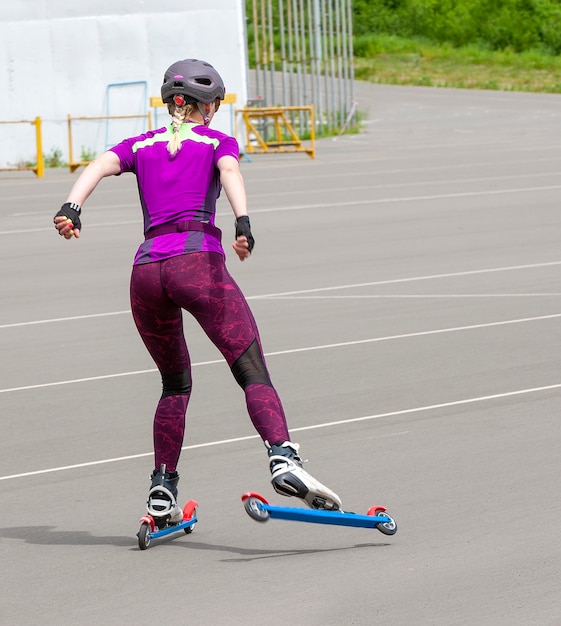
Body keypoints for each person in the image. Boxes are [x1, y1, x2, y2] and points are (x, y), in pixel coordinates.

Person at [53, 58, 341, 527]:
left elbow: (100, 165)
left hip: (146, 273)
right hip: (196, 265)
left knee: (175, 384)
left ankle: (162, 487)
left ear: (171, 101)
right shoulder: (216, 141)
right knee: (250, 369)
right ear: (206, 107)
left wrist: (71, 207)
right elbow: (230, 173)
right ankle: (283, 458)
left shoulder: (140, 143)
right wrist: (243, 222)